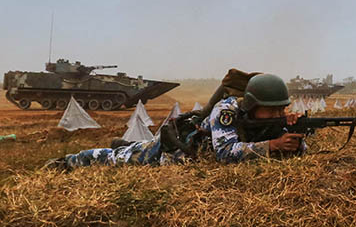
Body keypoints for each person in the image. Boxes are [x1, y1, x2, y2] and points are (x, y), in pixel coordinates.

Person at [45, 73, 305, 170]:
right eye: (269, 111)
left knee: (127, 149)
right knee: (117, 158)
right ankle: (68, 161)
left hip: (182, 151)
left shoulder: (272, 119)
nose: (275, 116)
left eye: (279, 110)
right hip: (174, 154)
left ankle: (124, 143)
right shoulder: (226, 111)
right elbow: (226, 153)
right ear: (250, 104)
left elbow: (294, 149)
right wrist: (272, 145)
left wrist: (293, 130)